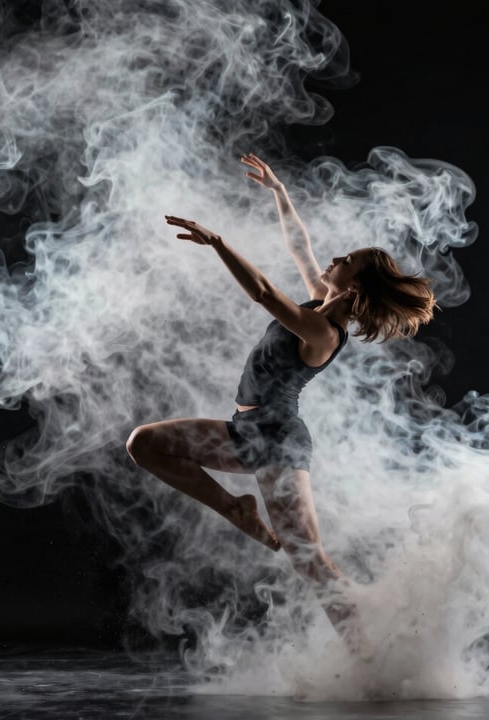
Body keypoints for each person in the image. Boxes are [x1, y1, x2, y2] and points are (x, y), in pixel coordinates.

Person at [126, 153, 436, 655]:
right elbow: (300, 246)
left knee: (309, 559)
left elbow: (265, 292)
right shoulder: (319, 300)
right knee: (145, 443)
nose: (334, 260)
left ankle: (371, 660)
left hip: (276, 441)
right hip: (242, 431)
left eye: (346, 260)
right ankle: (236, 508)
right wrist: (279, 191)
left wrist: (218, 243)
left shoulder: (321, 329)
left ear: (353, 283)